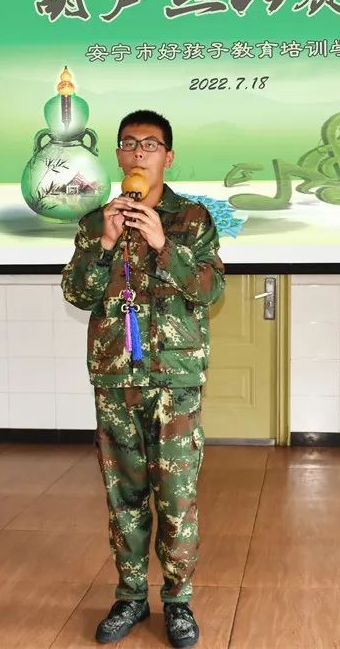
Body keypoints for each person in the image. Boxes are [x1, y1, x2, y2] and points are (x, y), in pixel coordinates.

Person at [61, 109, 225, 647]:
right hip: (115, 380)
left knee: (176, 498)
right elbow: (77, 294)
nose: (138, 153)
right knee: (124, 498)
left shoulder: (192, 219)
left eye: (149, 145)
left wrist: (162, 245)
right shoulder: (96, 222)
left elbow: (211, 290)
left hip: (175, 381)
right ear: (117, 154)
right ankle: (131, 596)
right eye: (129, 143)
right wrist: (106, 245)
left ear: (167, 157)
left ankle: (178, 602)